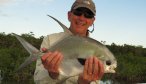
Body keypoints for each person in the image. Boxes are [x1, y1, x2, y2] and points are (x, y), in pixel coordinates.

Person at [34, 0, 104, 84]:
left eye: (88, 15)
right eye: (78, 12)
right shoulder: (50, 39)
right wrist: (52, 74)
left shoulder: (97, 49)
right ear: (69, 15)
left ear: (92, 21)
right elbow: (38, 80)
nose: (82, 18)